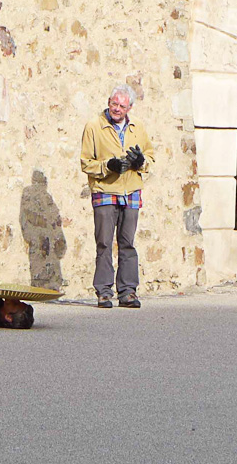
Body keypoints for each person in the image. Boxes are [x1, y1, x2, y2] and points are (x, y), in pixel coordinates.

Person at [80, 83, 155, 309]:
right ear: (108, 102)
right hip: (105, 192)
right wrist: (108, 166)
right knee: (104, 243)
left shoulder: (138, 127)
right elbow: (86, 163)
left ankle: (128, 292)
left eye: (122, 106)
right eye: (114, 104)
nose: (117, 109)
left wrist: (141, 162)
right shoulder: (94, 126)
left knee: (127, 243)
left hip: (130, 192)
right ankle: (104, 292)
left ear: (129, 107)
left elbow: (150, 156)